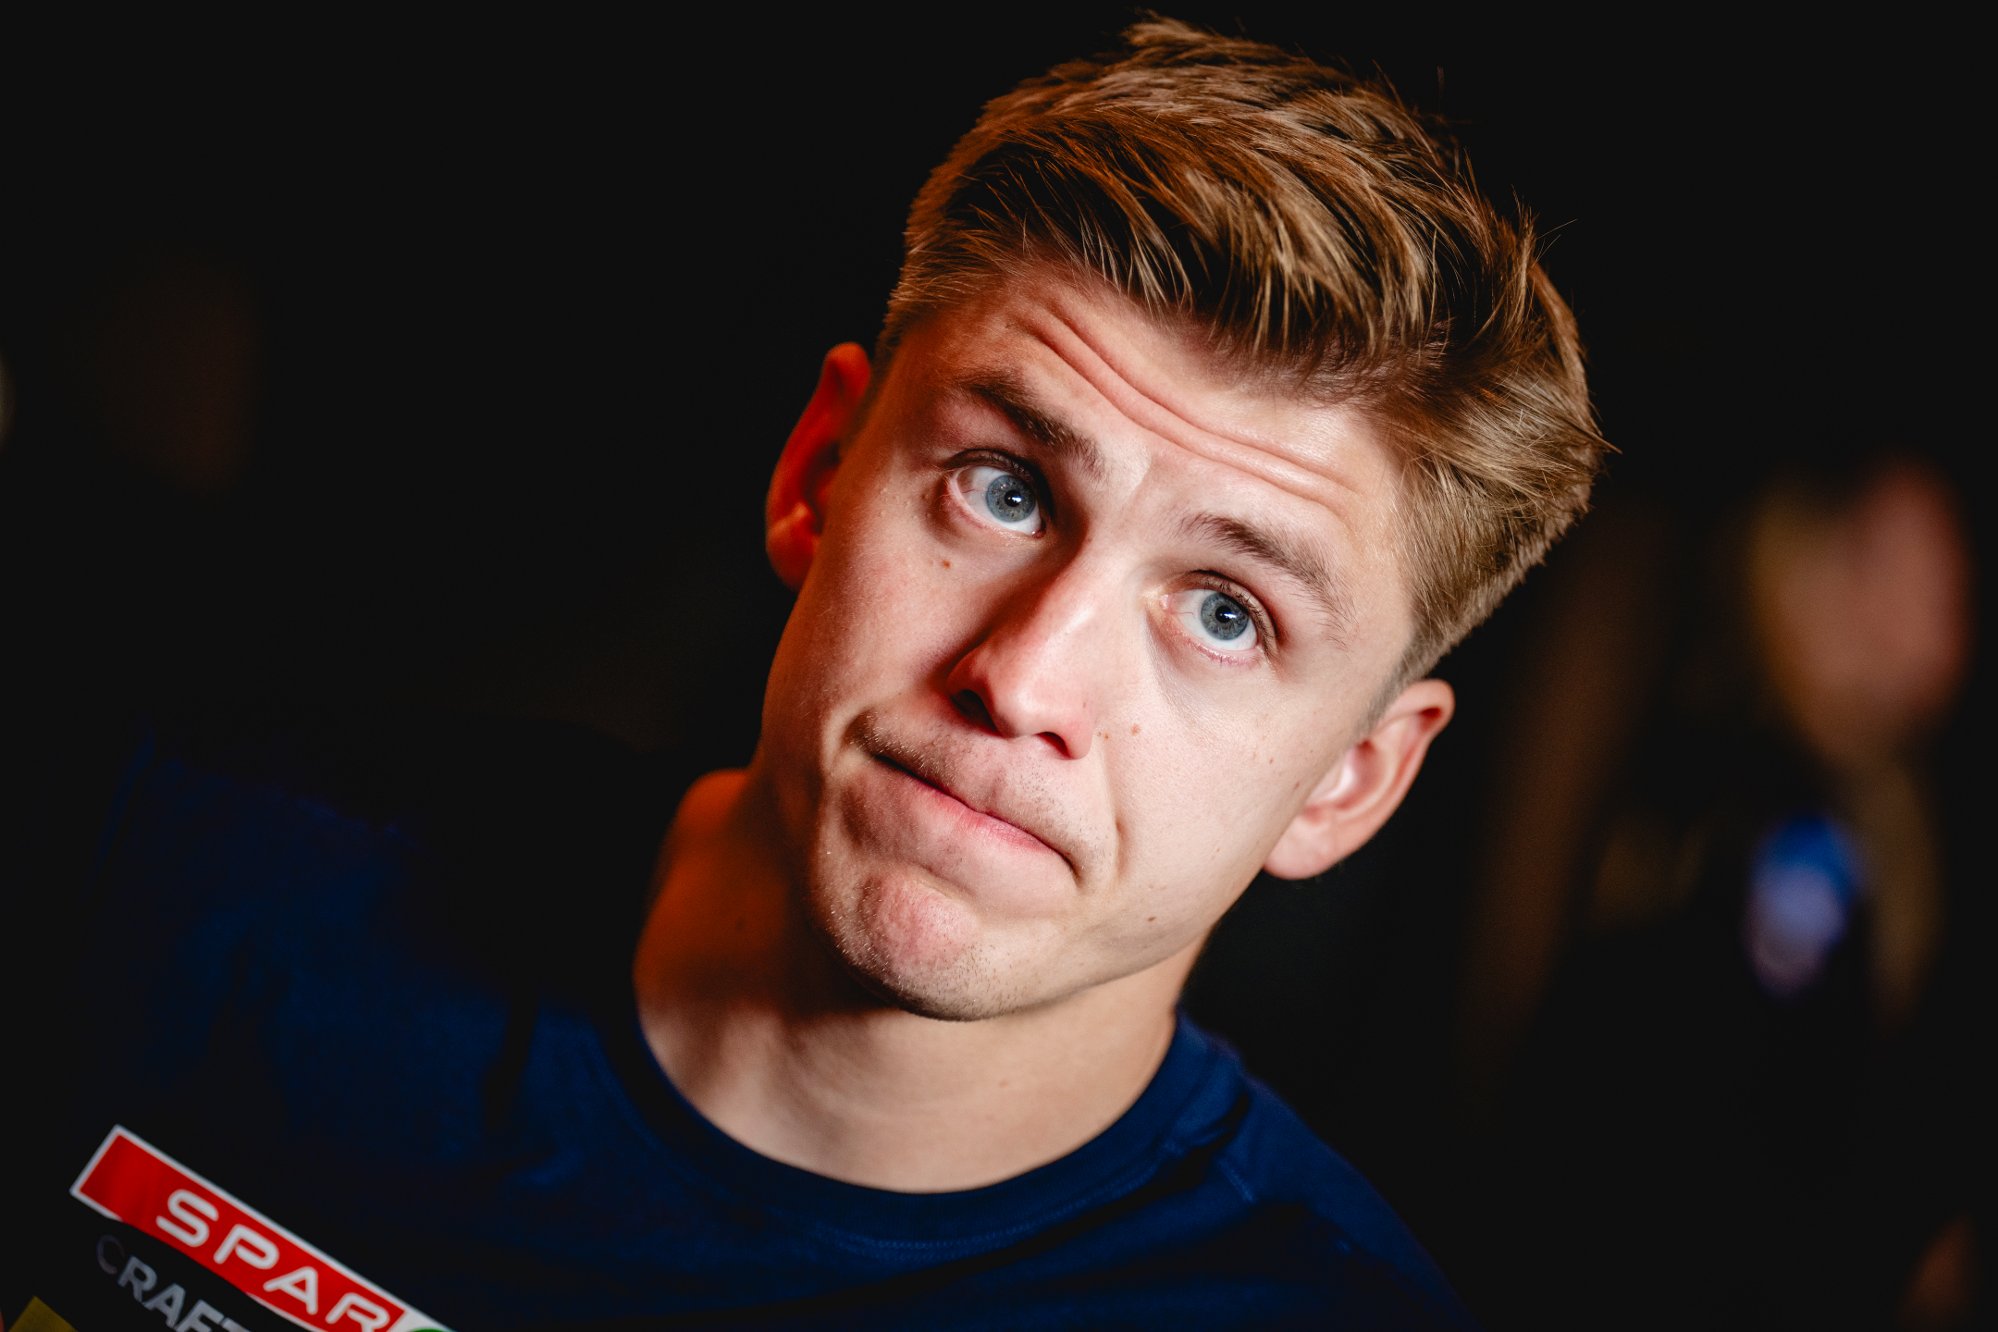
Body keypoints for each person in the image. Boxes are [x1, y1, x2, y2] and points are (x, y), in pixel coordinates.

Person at [1, 16, 1607, 1330]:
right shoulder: (161, 876)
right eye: (1003, 490)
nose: (1023, 678)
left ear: (1350, 780)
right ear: (817, 471)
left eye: (1227, 614)